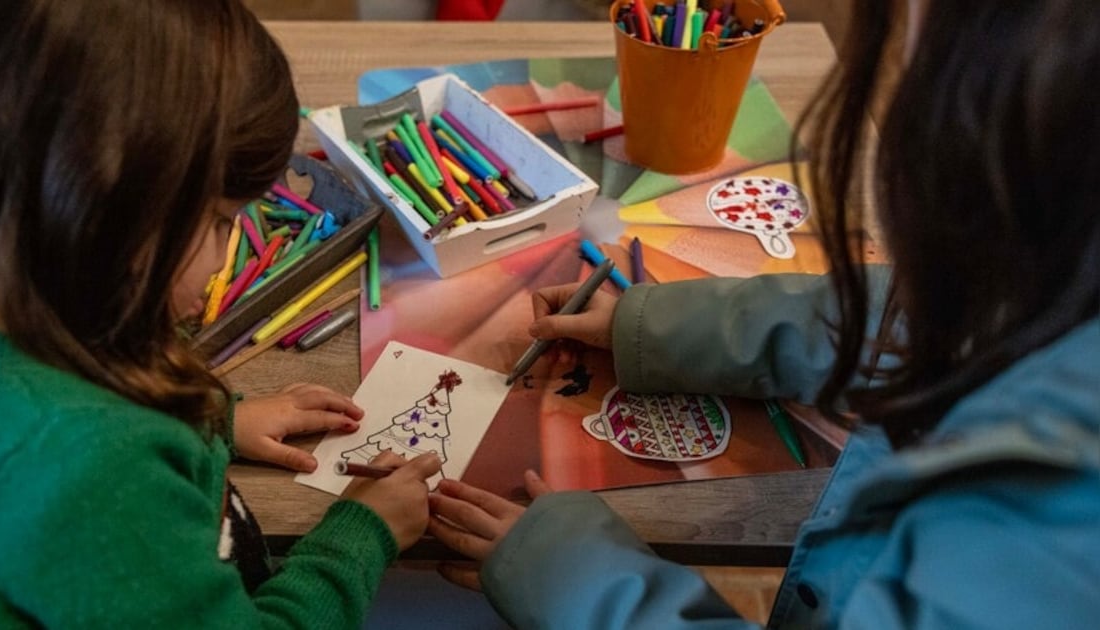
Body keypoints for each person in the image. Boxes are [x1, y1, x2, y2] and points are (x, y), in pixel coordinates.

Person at [427, 0, 1100, 627]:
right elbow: (912, 322)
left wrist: (578, 578)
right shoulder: (1047, 277)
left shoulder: (1042, 531)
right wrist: (651, 327)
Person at [0, 0, 440, 627]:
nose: (222, 260)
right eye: (218, 222)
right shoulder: (93, 477)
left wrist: (218, 418)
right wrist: (361, 535)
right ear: (90, 208)